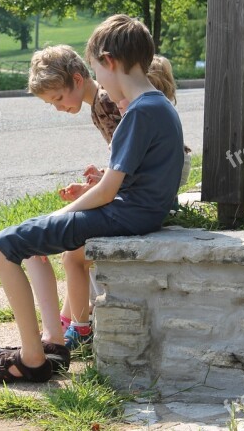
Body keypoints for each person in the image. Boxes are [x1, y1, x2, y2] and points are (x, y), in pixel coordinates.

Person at [0, 14, 185, 383]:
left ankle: (34, 359)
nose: (99, 83)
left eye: (95, 70)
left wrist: (60, 215)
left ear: (109, 62)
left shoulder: (139, 111)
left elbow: (107, 190)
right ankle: (49, 341)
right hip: (137, 213)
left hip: (126, 215)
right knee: (21, 240)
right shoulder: (156, 106)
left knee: (3, 246)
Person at [53, 54, 193, 349]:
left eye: (57, 98)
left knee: (75, 250)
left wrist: (99, 191)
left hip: (141, 199)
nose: (118, 103)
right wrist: (104, 178)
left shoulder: (110, 103)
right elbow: (128, 161)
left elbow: (135, 163)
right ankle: (74, 321)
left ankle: (76, 325)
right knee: (77, 252)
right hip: (144, 189)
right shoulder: (106, 106)